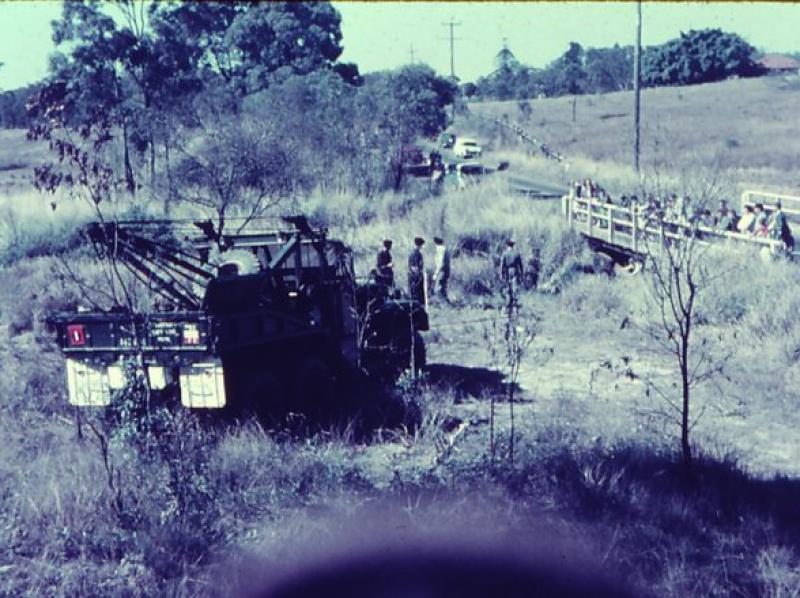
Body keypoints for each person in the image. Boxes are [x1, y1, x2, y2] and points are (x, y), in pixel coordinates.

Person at [500, 239, 524, 306]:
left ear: (507, 245)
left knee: (508, 285)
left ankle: (509, 300)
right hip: (515, 270)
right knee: (514, 286)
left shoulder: (504, 253)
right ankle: (514, 300)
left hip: (507, 271)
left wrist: (501, 273)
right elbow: (520, 265)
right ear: (513, 245)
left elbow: (502, 265)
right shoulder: (516, 253)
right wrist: (522, 273)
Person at [432, 236, 451, 303]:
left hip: (441, 271)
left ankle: (442, 303)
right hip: (446, 271)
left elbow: (440, 263)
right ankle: (446, 302)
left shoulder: (440, 249)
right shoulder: (445, 249)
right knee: (443, 288)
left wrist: (436, 273)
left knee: (438, 288)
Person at [408, 237, 426, 305]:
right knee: (416, 295)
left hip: (416, 277)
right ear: (419, 245)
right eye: (421, 245)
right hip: (414, 278)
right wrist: (418, 277)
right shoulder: (415, 254)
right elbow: (414, 267)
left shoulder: (417, 253)